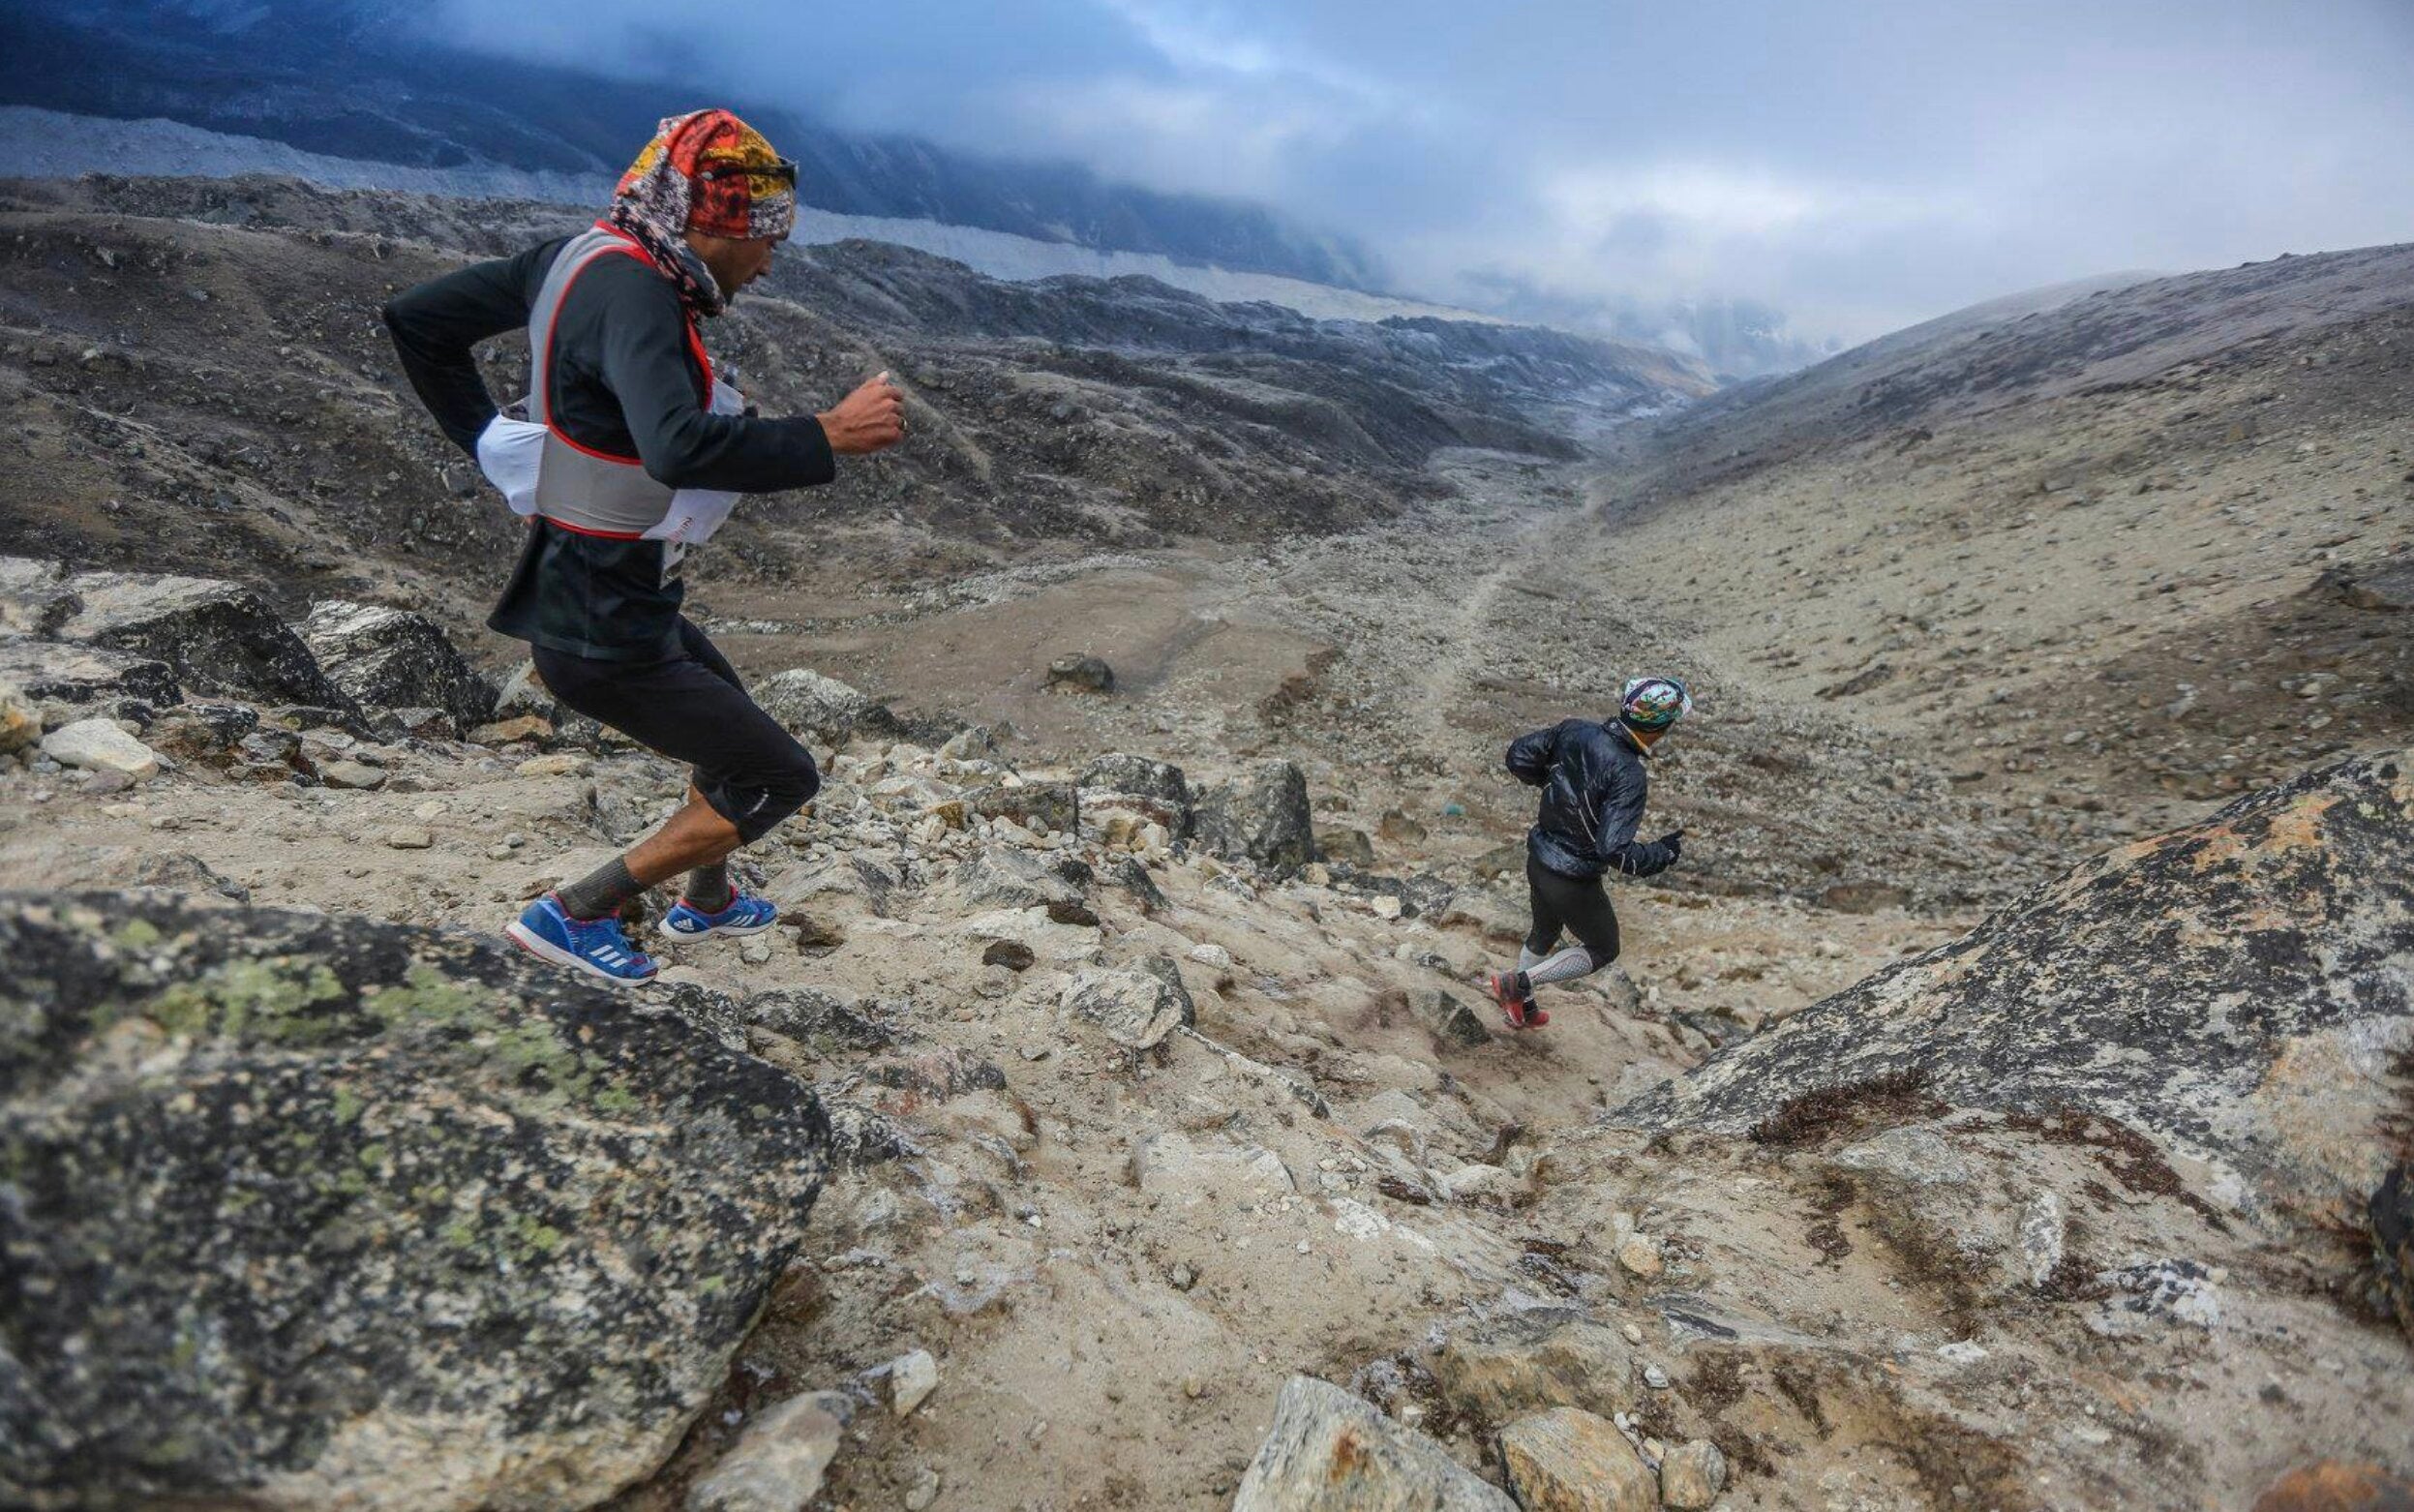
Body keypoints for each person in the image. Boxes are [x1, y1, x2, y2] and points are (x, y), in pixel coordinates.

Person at [381, 107, 905, 984]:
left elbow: (417, 321)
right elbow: (677, 447)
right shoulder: (640, 297)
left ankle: (706, 899)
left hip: (608, 596)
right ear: (712, 223)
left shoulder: (577, 259)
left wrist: (489, 442)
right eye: (766, 240)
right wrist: (828, 435)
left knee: (728, 730)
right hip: (601, 627)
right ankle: (573, 912)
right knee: (780, 776)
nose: (771, 261)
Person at [1486, 677, 1692, 1029]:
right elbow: (1615, 851)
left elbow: (1517, 756)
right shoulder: (1629, 773)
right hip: (1573, 878)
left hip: (1539, 857)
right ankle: (1517, 985)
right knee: (1603, 948)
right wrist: (1662, 853)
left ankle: (1522, 1009)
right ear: (1661, 726)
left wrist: (1554, 787)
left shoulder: (1574, 731)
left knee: (1543, 933)